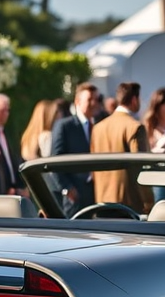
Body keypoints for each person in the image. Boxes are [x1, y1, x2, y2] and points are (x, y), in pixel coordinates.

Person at [90, 82, 152, 213]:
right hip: (129, 204)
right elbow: (141, 168)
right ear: (134, 99)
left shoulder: (98, 128)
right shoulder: (135, 127)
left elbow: (93, 167)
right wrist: (149, 201)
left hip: (101, 201)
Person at [51, 81, 99, 212]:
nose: (94, 103)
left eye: (96, 99)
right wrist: (66, 188)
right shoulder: (65, 126)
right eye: (90, 99)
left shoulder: (100, 125)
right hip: (75, 195)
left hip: (98, 194)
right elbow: (55, 160)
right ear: (78, 101)